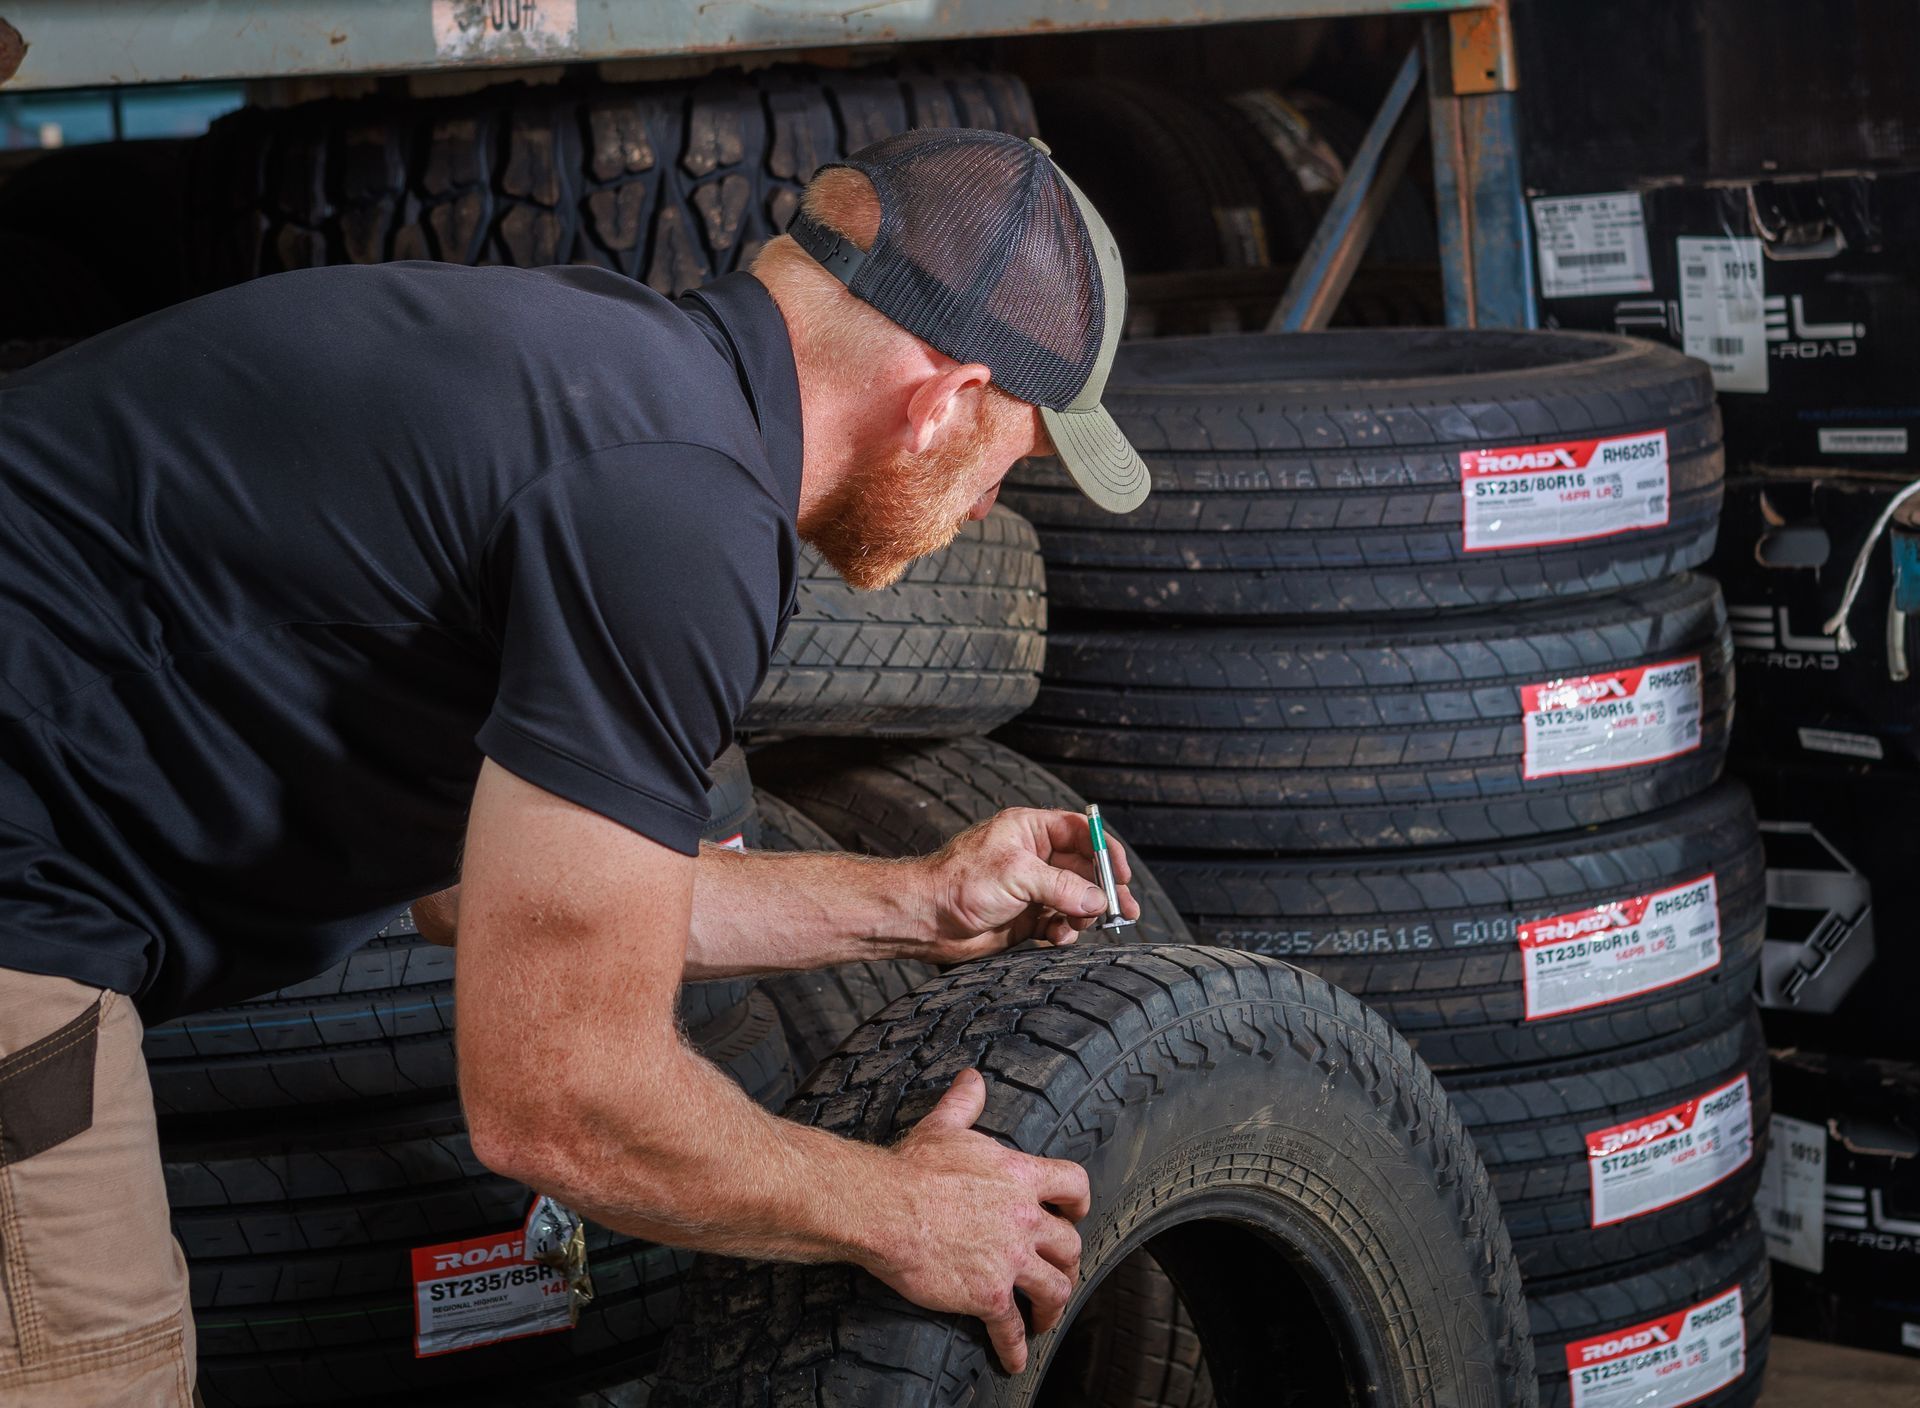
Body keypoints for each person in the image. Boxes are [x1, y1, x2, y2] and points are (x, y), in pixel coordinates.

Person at [0, 127, 1153, 1404]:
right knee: (94, 1369)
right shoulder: (676, 508)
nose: (991, 504)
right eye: (1019, 452)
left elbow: (496, 896)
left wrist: (919, 902)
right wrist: (904, 1212)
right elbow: (559, 1098)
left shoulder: (621, 379)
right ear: (943, 397)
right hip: (21, 886)